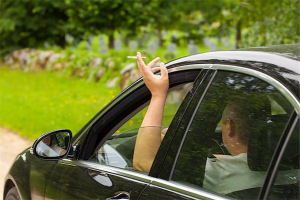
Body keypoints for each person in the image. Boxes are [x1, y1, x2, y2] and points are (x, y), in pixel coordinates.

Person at [132, 52, 268, 195]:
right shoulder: (287, 165)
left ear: (230, 127)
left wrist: (158, 94)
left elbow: (143, 162)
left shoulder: (219, 173)